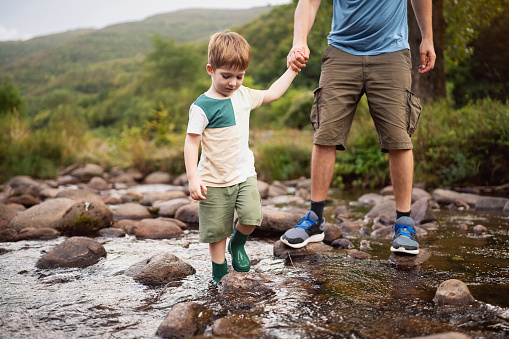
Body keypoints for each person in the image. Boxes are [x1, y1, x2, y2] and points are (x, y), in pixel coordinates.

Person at [280, 0, 436, 254]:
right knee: (325, 135)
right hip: (341, 53)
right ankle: (314, 220)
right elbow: (309, 2)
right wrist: (300, 40)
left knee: (399, 139)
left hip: (392, 54)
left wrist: (427, 37)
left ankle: (404, 224)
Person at [184, 31, 299, 284]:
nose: (233, 83)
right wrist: (193, 177)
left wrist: (292, 69)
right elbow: (191, 142)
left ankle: (238, 244)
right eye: (226, 76)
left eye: (239, 76)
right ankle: (218, 271)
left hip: (244, 174)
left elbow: (273, 93)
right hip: (213, 180)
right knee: (216, 231)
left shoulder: (244, 95)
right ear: (210, 70)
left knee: (251, 216)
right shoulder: (202, 106)